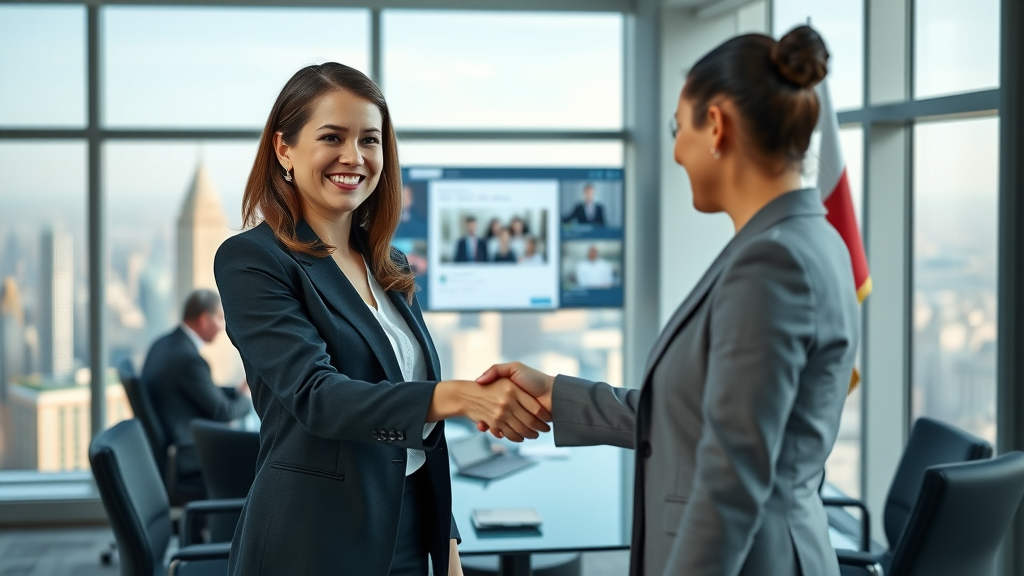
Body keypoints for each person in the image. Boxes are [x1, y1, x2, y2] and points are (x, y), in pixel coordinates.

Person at [477, 26, 859, 576]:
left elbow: (732, 482)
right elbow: (701, 419)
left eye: (678, 128)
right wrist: (558, 394)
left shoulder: (772, 263)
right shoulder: (805, 239)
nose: (677, 151)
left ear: (717, 126)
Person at [213, 63, 550, 576]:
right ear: (284, 148)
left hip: (413, 526)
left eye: (370, 140)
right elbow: (318, 397)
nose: (354, 157)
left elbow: (412, 403)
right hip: (314, 541)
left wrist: (448, 542)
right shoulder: (252, 260)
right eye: (332, 137)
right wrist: (460, 397)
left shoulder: (387, 262)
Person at [141, 289, 251, 495]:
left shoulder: (164, 345)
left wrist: (234, 390)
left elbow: (197, 390)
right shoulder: (189, 360)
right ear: (204, 319)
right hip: (189, 455)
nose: (222, 327)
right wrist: (246, 395)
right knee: (253, 458)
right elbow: (224, 412)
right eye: (219, 318)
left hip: (169, 449)